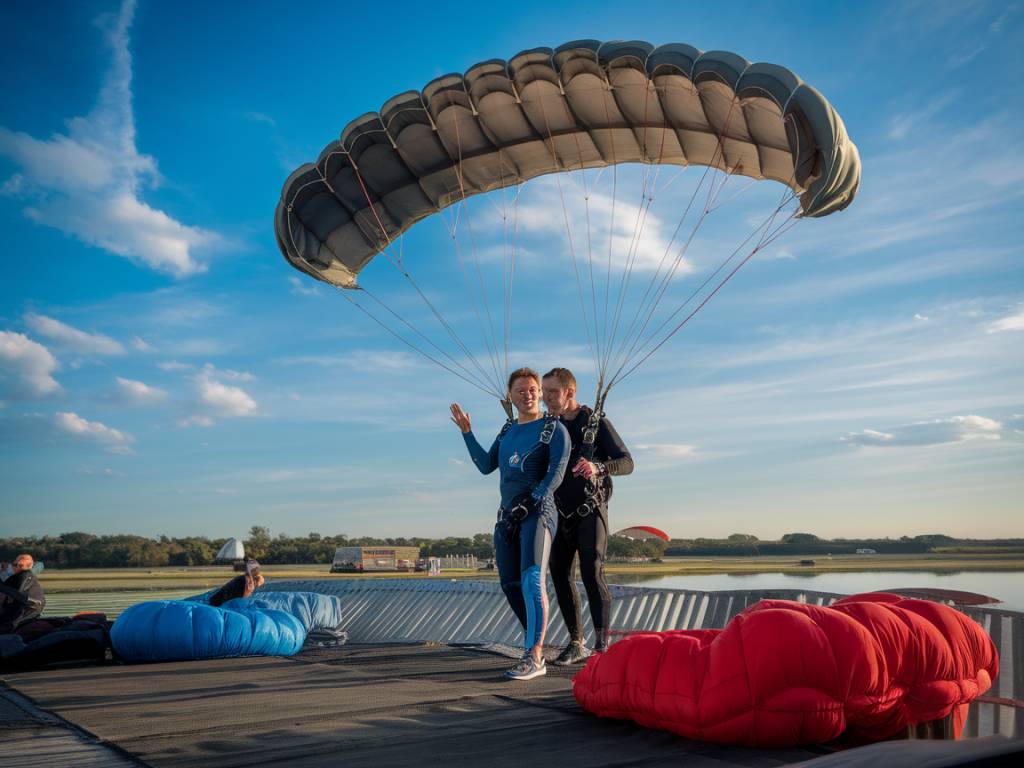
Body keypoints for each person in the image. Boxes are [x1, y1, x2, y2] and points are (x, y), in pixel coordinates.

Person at [451, 367, 569, 680]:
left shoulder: (553, 430)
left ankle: (534, 655)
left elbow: (556, 472)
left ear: (540, 393)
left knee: (532, 580)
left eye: (533, 389)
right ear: (511, 396)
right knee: (510, 584)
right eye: (521, 390)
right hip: (507, 518)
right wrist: (467, 432)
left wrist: (533, 500)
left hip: (538, 514)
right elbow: (485, 466)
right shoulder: (507, 432)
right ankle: (534, 641)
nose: (528, 394)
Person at [541, 368, 634, 665]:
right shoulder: (548, 427)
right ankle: (575, 642)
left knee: (592, 573)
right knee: (559, 575)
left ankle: (601, 644)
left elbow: (627, 462)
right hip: (558, 511)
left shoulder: (594, 422)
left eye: (552, 392)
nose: (547, 398)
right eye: (544, 392)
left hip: (589, 510)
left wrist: (598, 468)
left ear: (570, 391)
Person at [0, 554, 46, 633]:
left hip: (21, 620)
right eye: (14, 565)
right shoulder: (13, 579)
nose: (15, 567)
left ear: (30, 566)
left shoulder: (25, 576)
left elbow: (18, 595)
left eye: (19, 565)